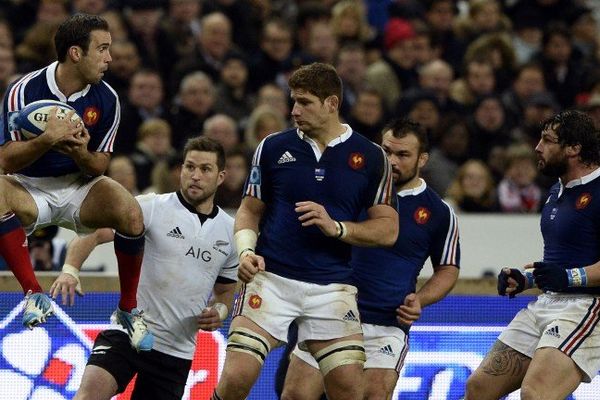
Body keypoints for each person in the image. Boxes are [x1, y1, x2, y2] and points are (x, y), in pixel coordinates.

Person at [212, 62, 399, 400]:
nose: (294, 110)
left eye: (305, 102)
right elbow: (250, 211)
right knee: (237, 376)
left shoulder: (372, 157)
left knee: (350, 391)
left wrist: (337, 228)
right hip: (272, 279)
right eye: (293, 101)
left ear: (332, 103)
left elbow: (387, 230)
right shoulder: (272, 147)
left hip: (331, 288)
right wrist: (246, 252)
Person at [0, 14, 151, 351]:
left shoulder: (108, 98)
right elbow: (5, 160)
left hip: (79, 186)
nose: (109, 58)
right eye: (102, 49)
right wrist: (46, 140)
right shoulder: (23, 89)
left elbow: (99, 165)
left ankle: (127, 310)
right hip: (27, 185)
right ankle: (33, 294)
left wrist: (80, 151)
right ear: (75, 53)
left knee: (131, 213)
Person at [280, 119, 461, 400]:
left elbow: (447, 268)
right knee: (296, 395)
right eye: (386, 151)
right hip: (331, 311)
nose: (392, 161)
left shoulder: (439, 212)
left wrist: (421, 299)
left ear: (422, 159)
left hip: (386, 323)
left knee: (372, 396)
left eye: (403, 155)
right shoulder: (351, 187)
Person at [52, 137, 238, 400]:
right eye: (189, 167)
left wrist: (219, 311)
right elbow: (92, 232)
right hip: (127, 332)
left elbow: (225, 293)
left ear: (221, 177)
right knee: (89, 395)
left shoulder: (230, 232)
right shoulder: (151, 207)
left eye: (205, 169)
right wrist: (70, 269)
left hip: (176, 351)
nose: (195, 176)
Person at [466, 110, 600, 400]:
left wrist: (566, 277)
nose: (537, 148)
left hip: (588, 307)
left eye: (547, 141)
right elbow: (562, 262)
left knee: (536, 394)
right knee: (478, 389)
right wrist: (527, 279)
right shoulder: (556, 190)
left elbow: (567, 273)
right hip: (546, 303)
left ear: (574, 148)